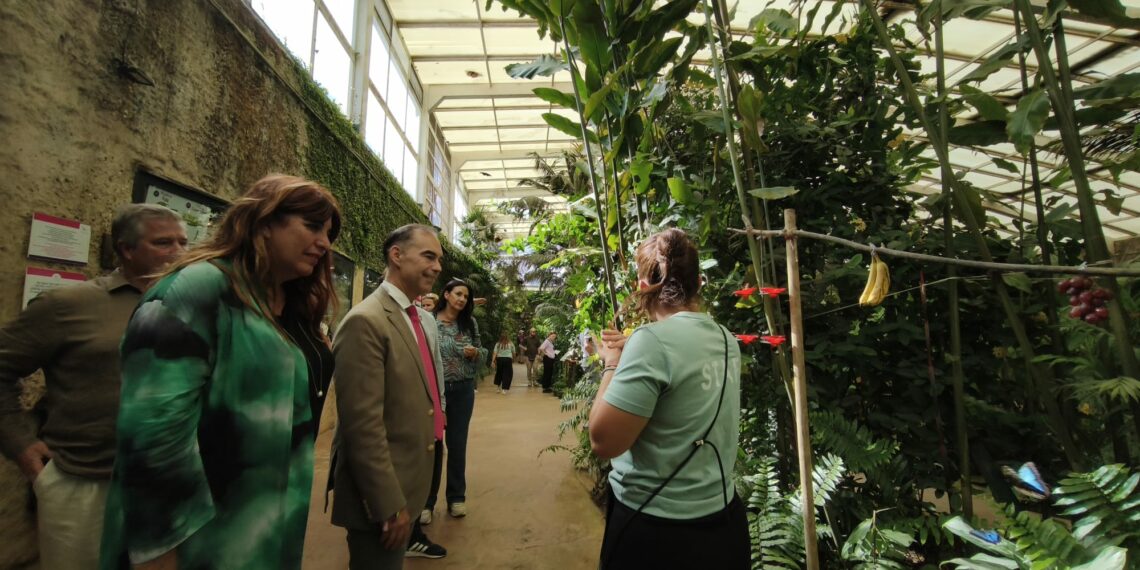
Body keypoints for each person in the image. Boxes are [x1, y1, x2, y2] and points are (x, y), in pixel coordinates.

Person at [99, 175, 341, 569]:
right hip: (203, 542)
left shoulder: (287, 301)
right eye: (312, 226)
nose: (325, 244)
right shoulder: (196, 289)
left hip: (266, 527)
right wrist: (160, 552)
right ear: (263, 222)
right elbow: (154, 436)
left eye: (328, 233)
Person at [0, 204, 186, 570]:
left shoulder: (190, 306)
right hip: (84, 482)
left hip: (168, 483)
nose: (179, 252)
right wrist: (20, 443)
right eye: (163, 242)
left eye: (183, 241)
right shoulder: (69, 305)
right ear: (126, 249)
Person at [589, 228, 748, 569]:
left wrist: (613, 364)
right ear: (698, 283)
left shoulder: (651, 341)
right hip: (722, 524)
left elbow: (603, 441)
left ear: (644, 285)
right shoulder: (726, 340)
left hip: (656, 527)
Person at [329, 224, 447, 568]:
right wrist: (388, 505)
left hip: (406, 485)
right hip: (381, 500)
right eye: (428, 256)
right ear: (396, 255)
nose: (438, 267)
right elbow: (363, 428)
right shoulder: (366, 322)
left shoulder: (416, 318)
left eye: (438, 258)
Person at [429, 278, 486, 519]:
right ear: (447, 294)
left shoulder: (469, 323)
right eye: (458, 294)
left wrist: (476, 354)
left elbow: (483, 352)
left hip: (462, 390)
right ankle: (426, 502)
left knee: (457, 444)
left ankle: (456, 498)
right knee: (432, 445)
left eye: (466, 296)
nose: (462, 299)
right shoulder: (428, 320)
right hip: (434, 390)